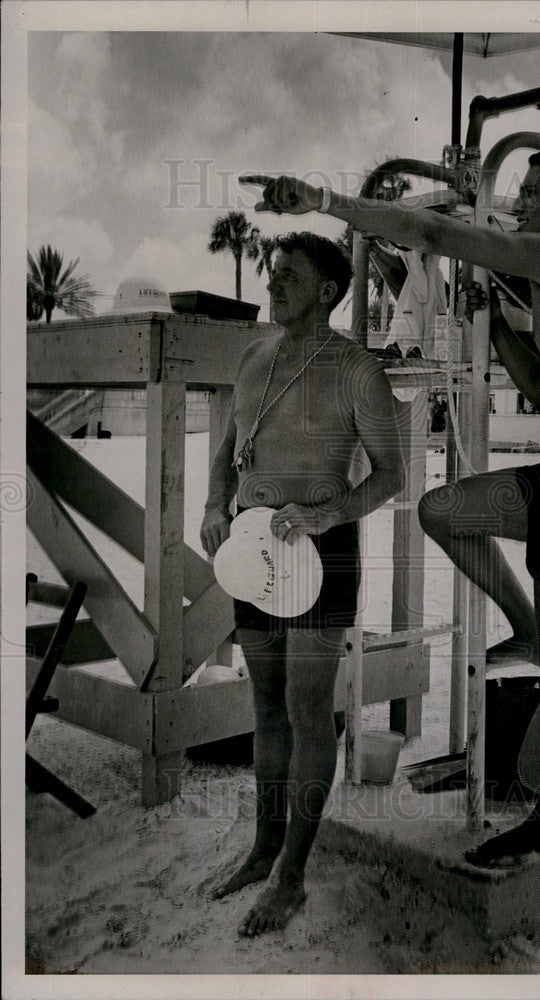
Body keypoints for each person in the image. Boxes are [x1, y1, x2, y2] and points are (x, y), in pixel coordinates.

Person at [248, 148, 540, 865]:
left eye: (531, 193)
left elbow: (430, 235)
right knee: (441, 509)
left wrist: (323, 197)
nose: (518, 204)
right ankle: (525, 625)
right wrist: (491, 325)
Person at [200, 232, 404, 934]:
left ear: (327, 290)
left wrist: (324, 515)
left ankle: (292, 875)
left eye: (290, 274)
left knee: (308, 705)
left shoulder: (356, 369)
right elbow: (227, 447)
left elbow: (390, 474)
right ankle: (263, 848)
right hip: (252, 551)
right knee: (265, 701)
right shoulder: (254, 357)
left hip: (323, 552)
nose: (274, 281)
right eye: (272, 272)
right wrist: (210, 507)